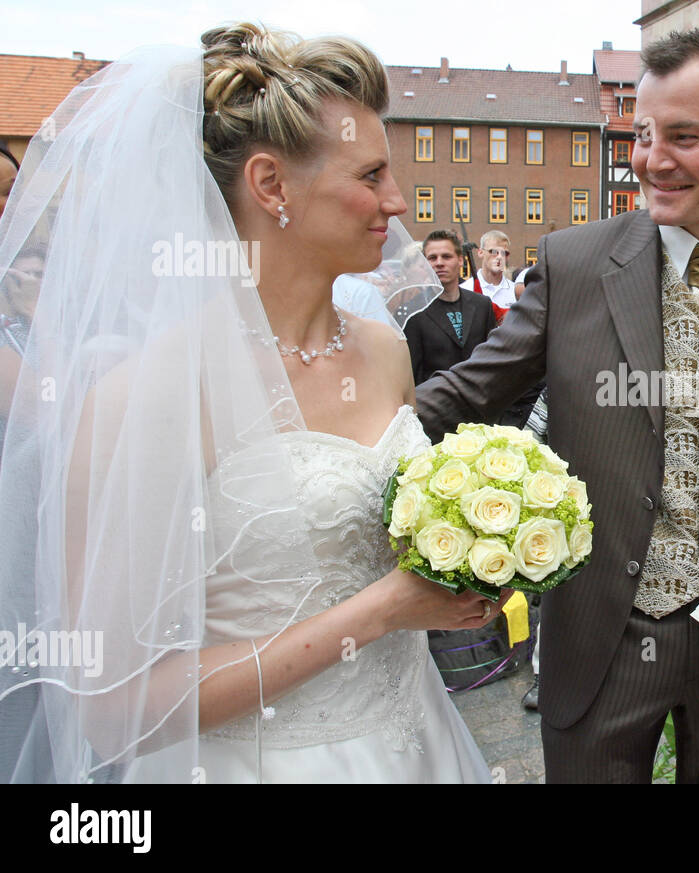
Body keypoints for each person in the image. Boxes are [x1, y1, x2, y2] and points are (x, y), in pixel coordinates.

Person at [0, 23, 502, 783]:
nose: (396, 202)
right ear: (271, 186)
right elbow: (114, 706)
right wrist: (381, 612)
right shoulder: (143, 399)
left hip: (417, 742)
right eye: (370, 176)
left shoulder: (385, 349)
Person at [414, 28, 699, 783]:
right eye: (644, 134)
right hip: (606, 627)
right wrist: (332, 443)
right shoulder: (574, 261)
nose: (652, 159)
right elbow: (470, 390)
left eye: (683, 136)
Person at [404, 230, 495, 385]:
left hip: (480, 400)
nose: (439, 263)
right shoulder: (414, 311)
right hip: (435, 402)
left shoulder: (482, 305)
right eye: (432, 258)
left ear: (460, 260)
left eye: (446, 256)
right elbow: (413, 372)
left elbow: (492, 358)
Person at [462, 230, 517, 310]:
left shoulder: (515, 292)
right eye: (494, 252)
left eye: (504, 253)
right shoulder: (465, 289)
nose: (499, 257)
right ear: (480, 252)